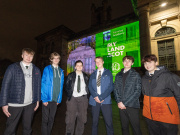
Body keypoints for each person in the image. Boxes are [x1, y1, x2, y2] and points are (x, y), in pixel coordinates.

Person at [0, 48, 41, 135]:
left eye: (31, 56)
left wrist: (37, 100)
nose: (28, 57)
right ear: (22, 55)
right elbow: (5, 86)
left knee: (27, 128)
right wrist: (4, 104)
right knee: (10, 129)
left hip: (30, 104)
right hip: (15, 104)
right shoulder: (12, 68)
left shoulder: (36, 70)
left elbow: (37, 86)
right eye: (26, 55)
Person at [142, 54, 180, 135]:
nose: (147, 65)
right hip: (150, 117)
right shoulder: (144, 78)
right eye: (145, 63)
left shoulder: (169, 76)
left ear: (156, 62)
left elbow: (178, 94)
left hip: (167, 117)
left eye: (150, 62)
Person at [114, 56, 142, 135]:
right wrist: (119, 101)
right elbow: (115, 89)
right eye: (125, 61)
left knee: (135, 128)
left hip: (132, 105)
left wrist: (124, 103)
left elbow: (137, 91)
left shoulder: (136, 75)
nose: (126, 63)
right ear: (122, 62)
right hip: (121, 105)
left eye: (129, 61)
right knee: (124, 127)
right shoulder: (118, 75)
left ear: (132, 63)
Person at [88, 56, 114, 135]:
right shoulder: (93, 74)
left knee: (108, 122)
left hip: (105, 100)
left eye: (99, 61)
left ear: (103, 62)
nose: (98, 63)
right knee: (94, 122)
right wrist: (96, 96)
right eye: (96, 61)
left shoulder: (108, 72)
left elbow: (111, 87)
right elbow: (90, 86)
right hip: (94, 100)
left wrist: (101, 97)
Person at [41, 52, 64, 135]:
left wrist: (59, 99)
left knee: (51, 119)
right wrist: (44, 99)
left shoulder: (61, 71)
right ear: (51, 59)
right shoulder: (47, 69)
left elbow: (61, 87)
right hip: (47, 98)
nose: (56, 60)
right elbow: (43, 83)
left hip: (55, 99)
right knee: (45, 120)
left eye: (58, 58)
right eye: (54, 58)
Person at [65, 60, 89, 135]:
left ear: (82, 67)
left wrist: (87, 96)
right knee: (70, 118)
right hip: (73, 99)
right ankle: (69, 133)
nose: (79, 67)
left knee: (82, 119)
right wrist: (69, 95)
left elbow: (88, 87)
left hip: (83, 99)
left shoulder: (85, 76)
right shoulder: (70, 75)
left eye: (80, 65)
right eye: (77, 65)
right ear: (75, 67)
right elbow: (66, 86)